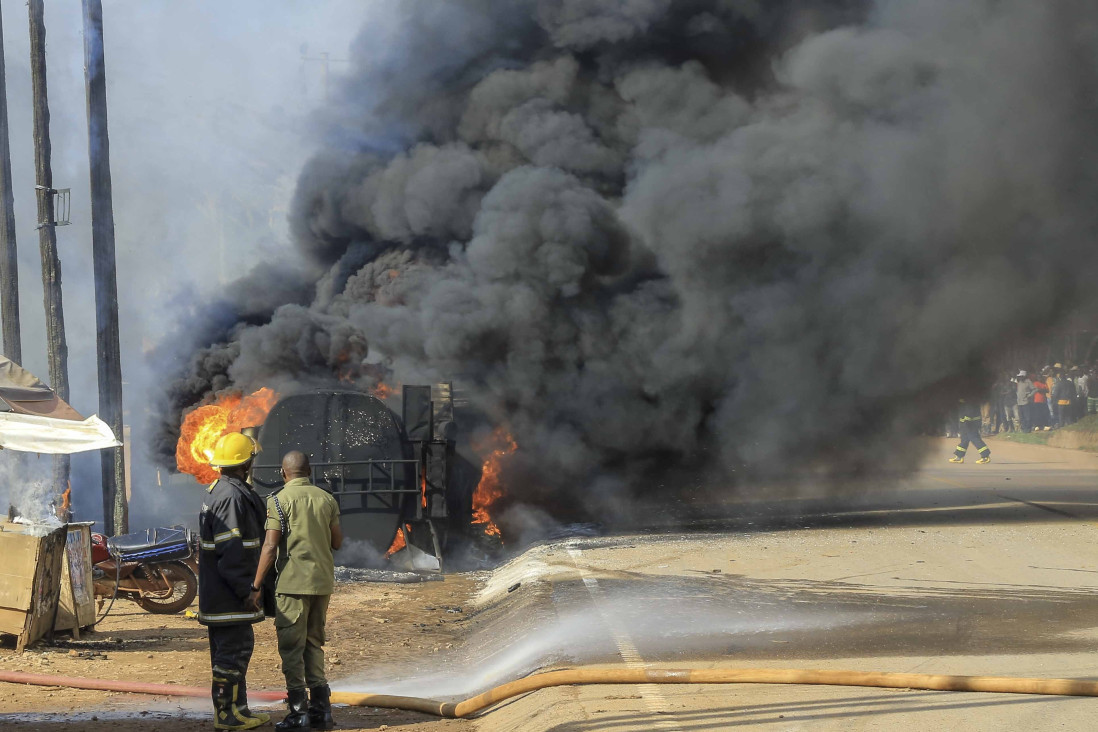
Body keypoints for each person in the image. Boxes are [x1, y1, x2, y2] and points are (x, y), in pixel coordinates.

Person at [253, 451, 343, 730]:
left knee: (292, 648)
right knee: (314, 643)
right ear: (309, 471)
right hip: (322, 583)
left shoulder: (278, 500)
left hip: (292, 585)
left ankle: (298, 712)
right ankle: (322, 711)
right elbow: (337, 542)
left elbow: (270, 546)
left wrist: (256, 585)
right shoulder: (327, 499)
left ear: (283, 473)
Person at [198, 432, 271, 731]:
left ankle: (238, 710)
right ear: (245, 464)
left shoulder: (224, 490)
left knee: (232, 651)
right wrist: (249, 589)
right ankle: (226, 715)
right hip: (229, 595)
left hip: (220, 594)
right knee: (233, 653)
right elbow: (232, 552)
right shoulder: (230, 497)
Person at [949, 397, 991, 464]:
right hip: (966, 421)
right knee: (964, 439)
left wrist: (967, 421)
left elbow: (969, 410)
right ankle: (959, 456)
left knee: (974, 438)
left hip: (970, 422)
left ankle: (985, 456)